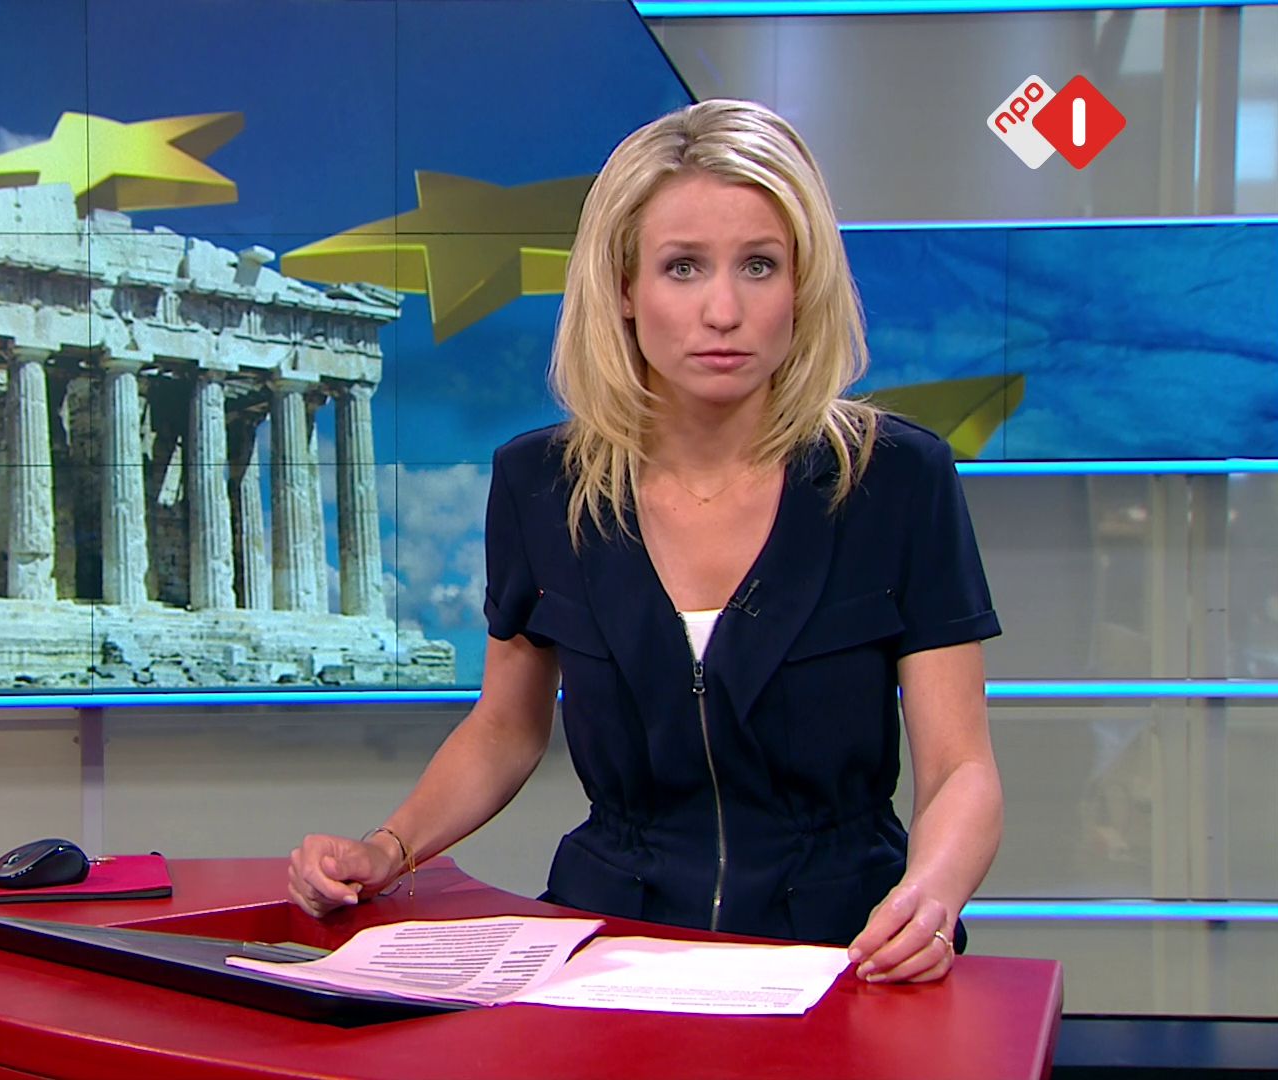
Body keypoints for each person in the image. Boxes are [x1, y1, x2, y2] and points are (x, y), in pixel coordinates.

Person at [286, 99, 1004, 985]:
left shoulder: (896, 480)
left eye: (759, 265)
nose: (723, 310)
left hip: (844, 951)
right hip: (610, 948)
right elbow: (504, 728)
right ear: (624, 289)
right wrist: (389, 847)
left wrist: (931, 897)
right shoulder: (539, 486)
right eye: (682, 267)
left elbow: (960, 766)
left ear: (803, 284)